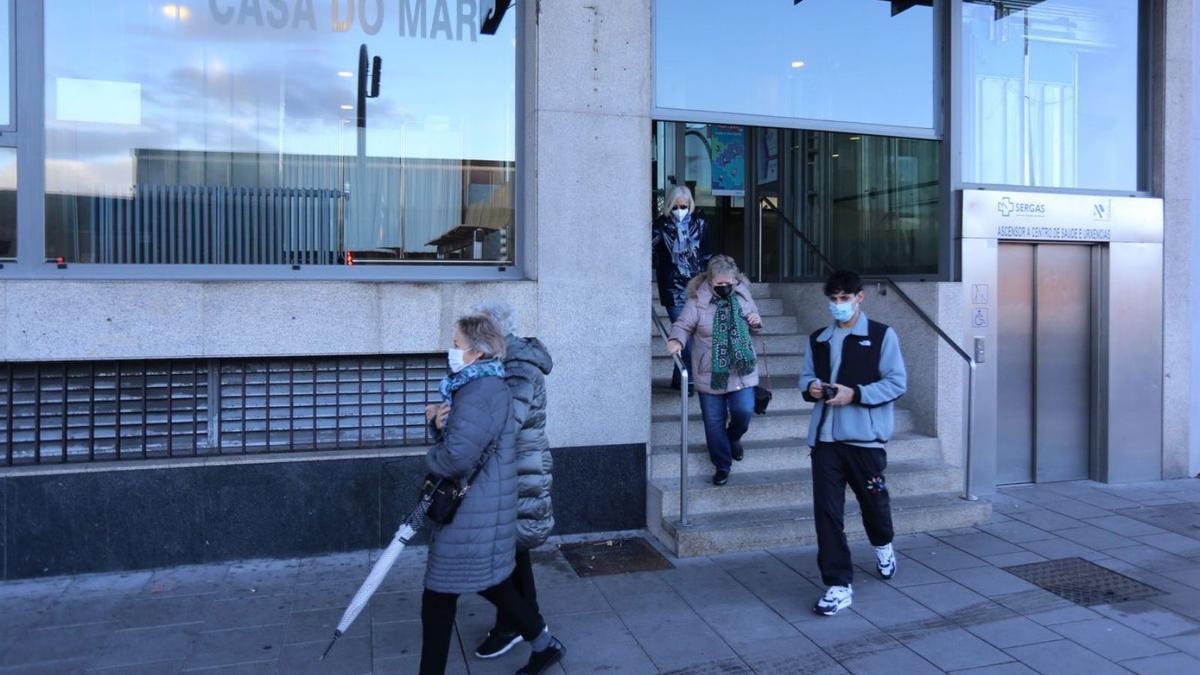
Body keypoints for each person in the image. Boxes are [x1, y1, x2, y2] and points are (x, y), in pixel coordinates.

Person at [419, 314, 565, 675]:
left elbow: (456, 457)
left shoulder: (478, 392)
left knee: (438, 597)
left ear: (477, 351)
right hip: (485, 502)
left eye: (456, 345)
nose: (451, 351)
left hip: (473, 507)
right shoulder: (484, 385)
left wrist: (433, 442)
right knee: (492, 583)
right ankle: (543, 643)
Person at [799, 270, 907, 617]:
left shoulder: (880, 336)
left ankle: (883, 543)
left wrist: (855, 394)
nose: (838, 305)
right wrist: (812, 387)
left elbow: (896, 383)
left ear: (860, 297)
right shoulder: (818, 339)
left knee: (873, 506)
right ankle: (838, 584)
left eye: (845, 298)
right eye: (833, 299)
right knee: (827, 514)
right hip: (825, 441)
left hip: (865, 441)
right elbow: (805, 378)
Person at [467, 301, 556, 660]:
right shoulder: (504, 363)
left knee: (500, 553)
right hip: (511, 470)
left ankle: (518, 624)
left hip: (519, 472)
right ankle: (526, 623)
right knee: (512, 551)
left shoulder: (518, 369)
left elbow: (506, 423)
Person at [666, 255, 763, 486]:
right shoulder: (697, 300)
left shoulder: (742, 294)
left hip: (741, 370)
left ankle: (734, 437)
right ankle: (722, 465)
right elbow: (683, 325)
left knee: (744, 411)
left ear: (735, 279)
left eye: (728, 282)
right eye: (719, 284)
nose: (725, 287)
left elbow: (757, 324)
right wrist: (677, 341)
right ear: (710, 281)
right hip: (710, 371)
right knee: (713, 421)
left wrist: (756, 322)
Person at [653, 185, 712, 393]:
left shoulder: (700, 224)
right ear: (670, 205)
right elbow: (648, 248)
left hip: (695, 286)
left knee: (693, 333)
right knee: (684, 332)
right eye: (676, 206)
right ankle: (689, 379)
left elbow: (706, 254)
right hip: (672, 287)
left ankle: (679, 378)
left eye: (684, 206)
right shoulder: (661, 226)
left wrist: (708, 282)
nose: (680, 209)